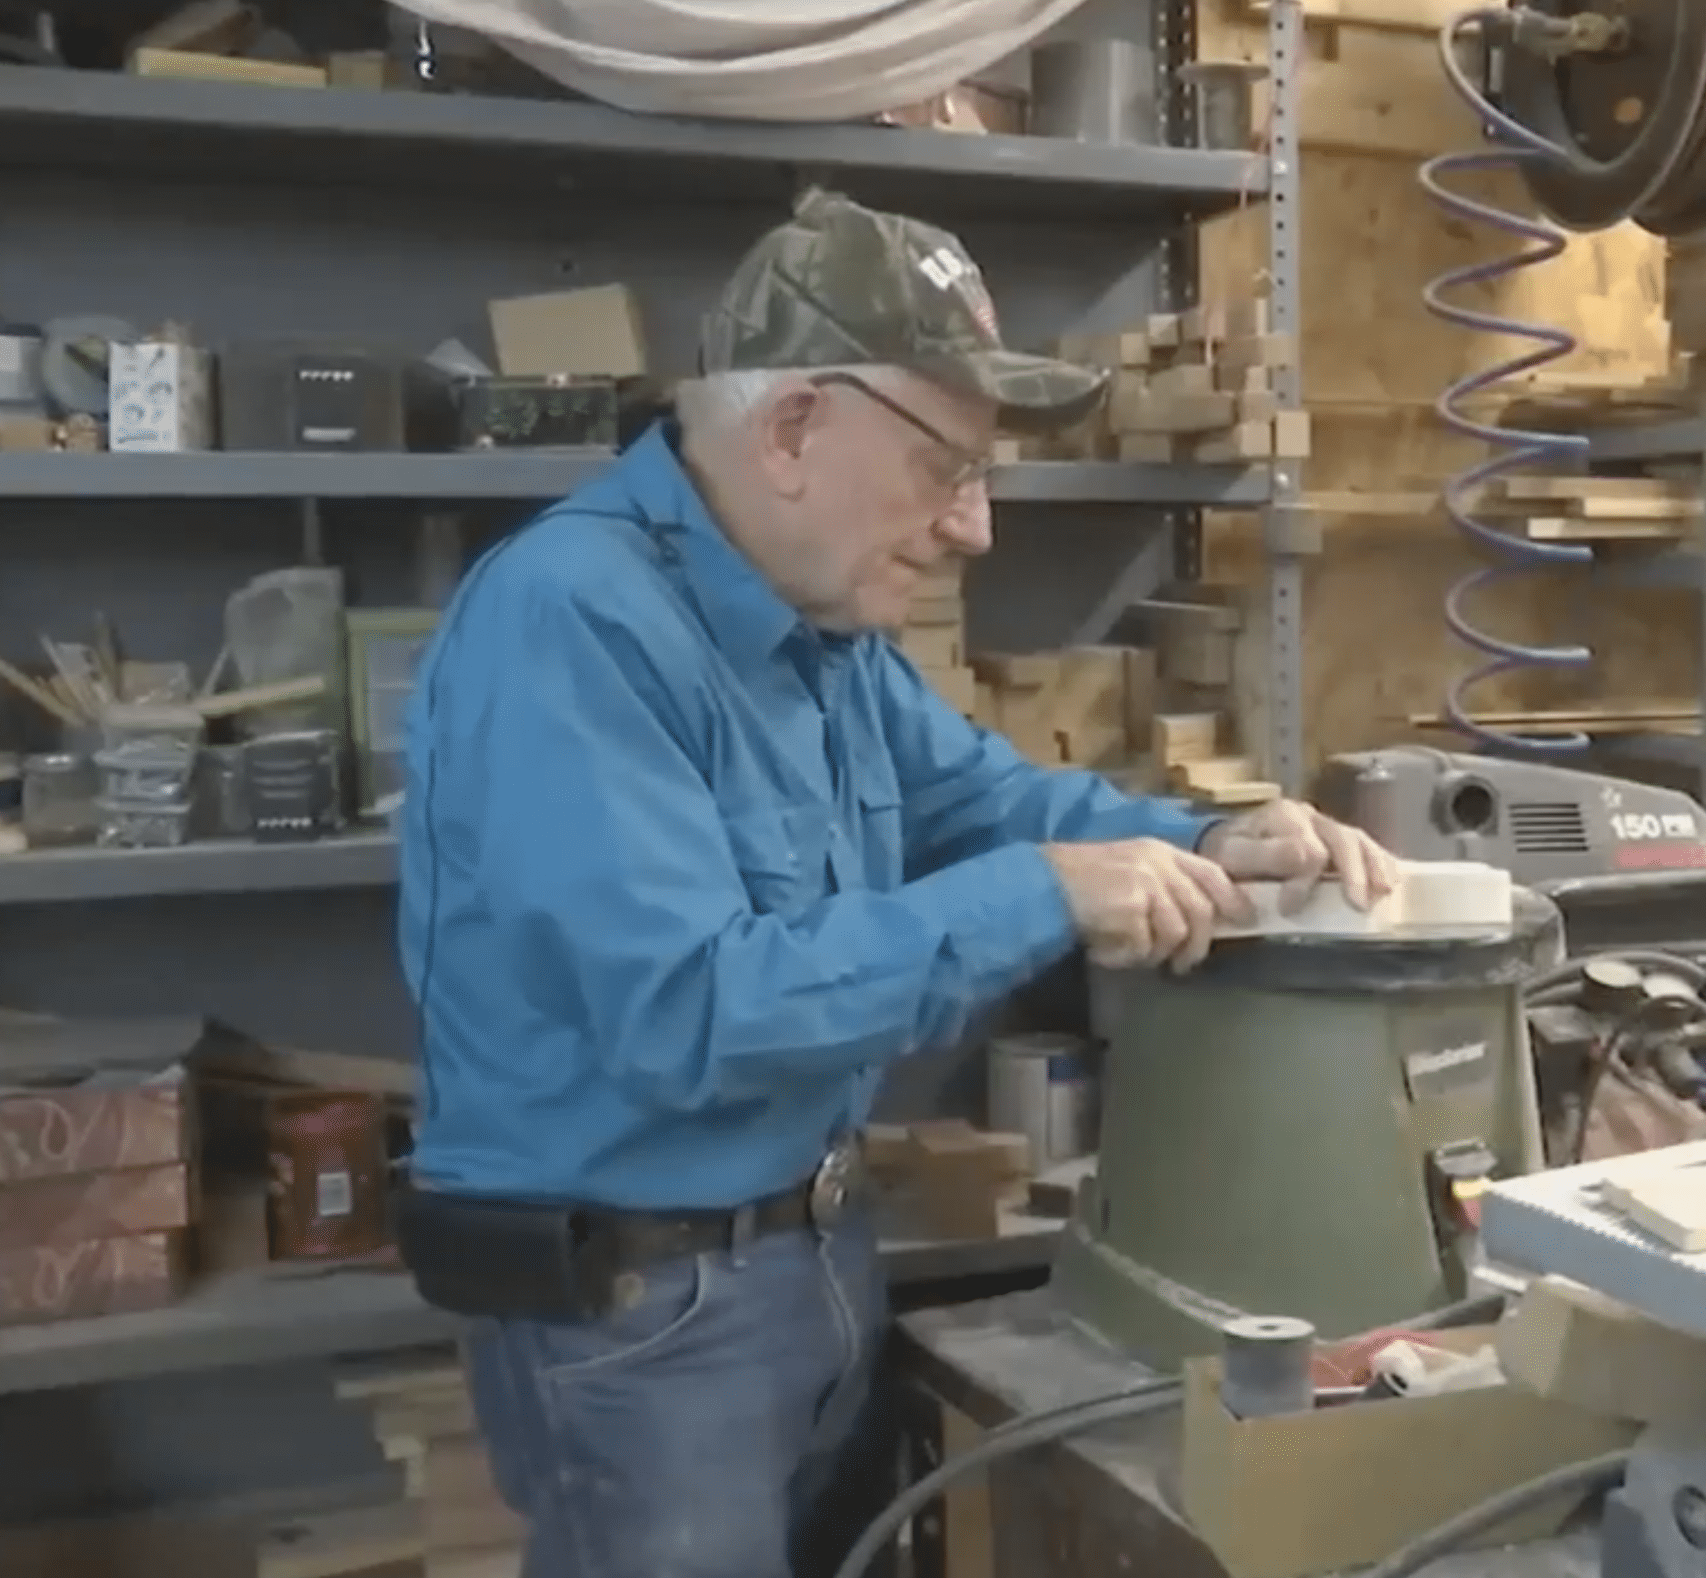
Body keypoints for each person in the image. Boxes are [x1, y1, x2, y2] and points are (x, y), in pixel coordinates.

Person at [391, 187, 1399, 1578]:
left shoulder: (820, 629)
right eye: (946, 468)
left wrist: (1203, 836)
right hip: (640, 1320)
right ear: (796, 425)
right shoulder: (567, 619)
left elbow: (982, 797)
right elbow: (690, 1008)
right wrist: (1047, 892)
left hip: (801, 1262)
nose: (974, 525)